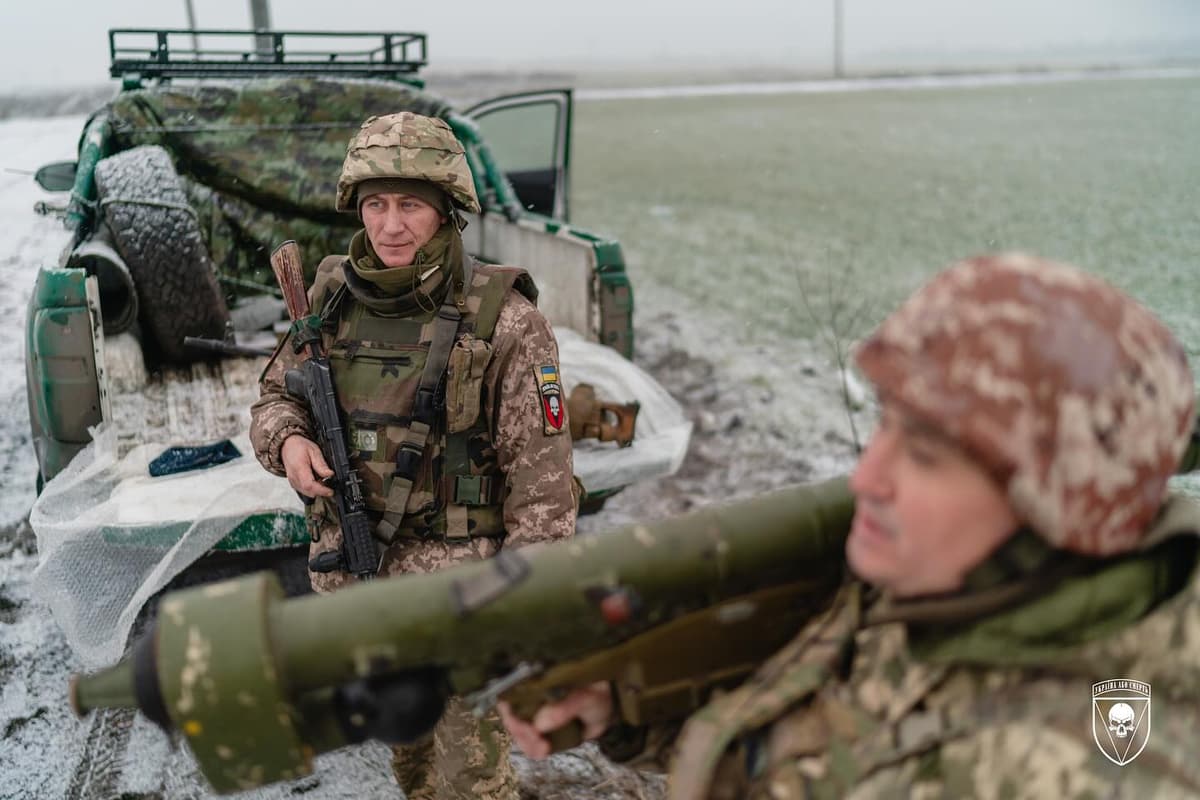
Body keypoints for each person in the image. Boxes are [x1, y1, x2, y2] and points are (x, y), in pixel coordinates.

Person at [500, 253, 1200, 798]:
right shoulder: (944, 595)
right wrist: (627, 707)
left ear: (1057, 503)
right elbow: (816, 752)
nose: (866, 477)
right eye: (884, 428)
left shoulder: (1086, 767)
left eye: (924, 456)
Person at [250, 111, 579, 800]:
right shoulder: (330, 301)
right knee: (409, 760)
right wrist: (292, 441)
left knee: (473, 780)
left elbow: (543, 494)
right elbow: (275, 400)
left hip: (469, 596)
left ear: (446, 210)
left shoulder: (507, 320)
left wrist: (529, 611)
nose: (390, 226)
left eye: (410, 206)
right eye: (376, 205)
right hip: (365, 589)